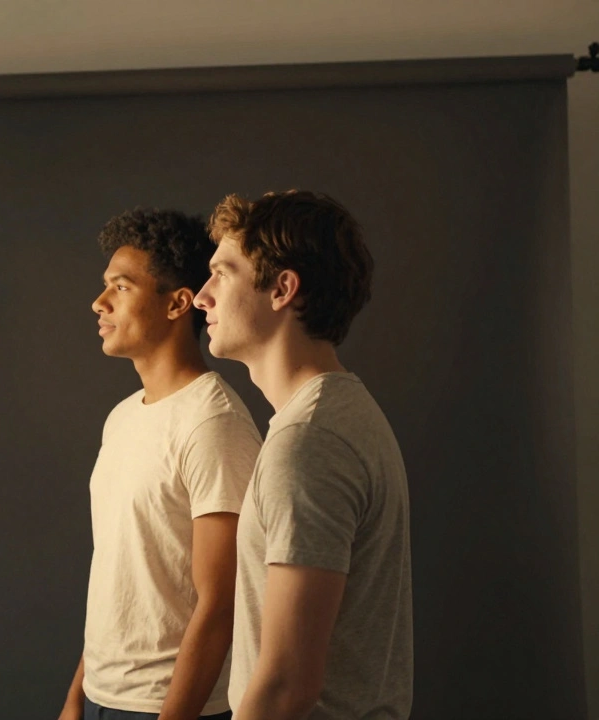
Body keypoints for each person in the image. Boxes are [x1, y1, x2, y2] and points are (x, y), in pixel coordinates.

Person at [192, 190, 412, 720]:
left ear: (282, 289)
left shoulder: (309, 443)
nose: (202, 296)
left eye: (223, 273)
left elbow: (288, 684)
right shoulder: (331, 417)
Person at [60, 208, 261, 720]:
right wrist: (75, 696)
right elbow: (122, 571)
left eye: (121, 287)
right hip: (102, 697)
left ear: (177, 304)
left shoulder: (213, 423)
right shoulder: (122, 419)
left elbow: (221, 602)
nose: (98, 303)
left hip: (166, 706)